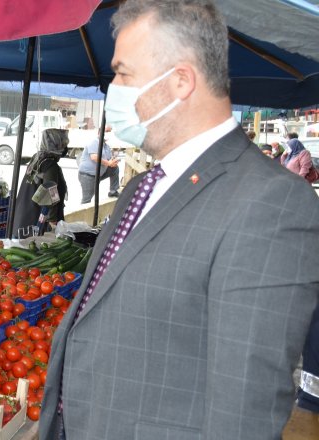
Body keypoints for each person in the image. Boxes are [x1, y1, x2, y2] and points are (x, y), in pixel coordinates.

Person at [39, 2, 319, 440]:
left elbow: (244, 409)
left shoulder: (272, 202)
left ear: (181, 81)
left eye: (123, 73)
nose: (113, 90)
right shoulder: (141, 187)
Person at [12, 128, 69, 234]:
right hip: (37, 220)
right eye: (63, 143)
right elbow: (50, 192)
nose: (65, 147)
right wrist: (52, 221)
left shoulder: (38, 158)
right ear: (55, 144)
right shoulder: (50, 165)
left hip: (24, 213)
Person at [77, 125, 121, 203]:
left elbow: (108, 160)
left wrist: (113, 161)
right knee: (87, 199)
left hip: (99, 174)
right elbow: (94, 157)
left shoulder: (106, 146)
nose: (108, 133)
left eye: (109, 132)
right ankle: (84, 214)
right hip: (88, 175)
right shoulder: (95, 141)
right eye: (106, 131)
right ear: (99, 132)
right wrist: (108, 163)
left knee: (114, 168)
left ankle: (113, 191)